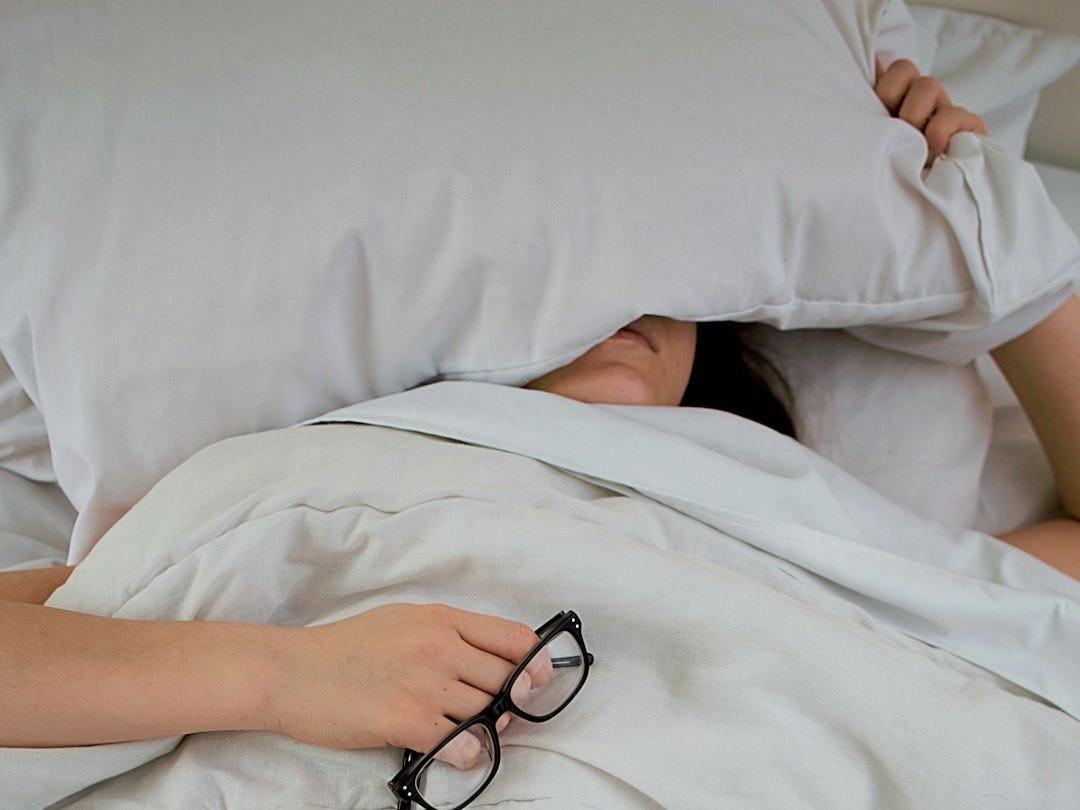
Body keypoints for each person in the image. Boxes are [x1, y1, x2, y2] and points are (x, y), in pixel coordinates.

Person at [0, 60, 1074, 763]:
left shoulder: (791, 510)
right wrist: (287, 674)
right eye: (570, 289)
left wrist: (983, 215)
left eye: (658, 283)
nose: (620, 309)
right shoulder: (338, 474)